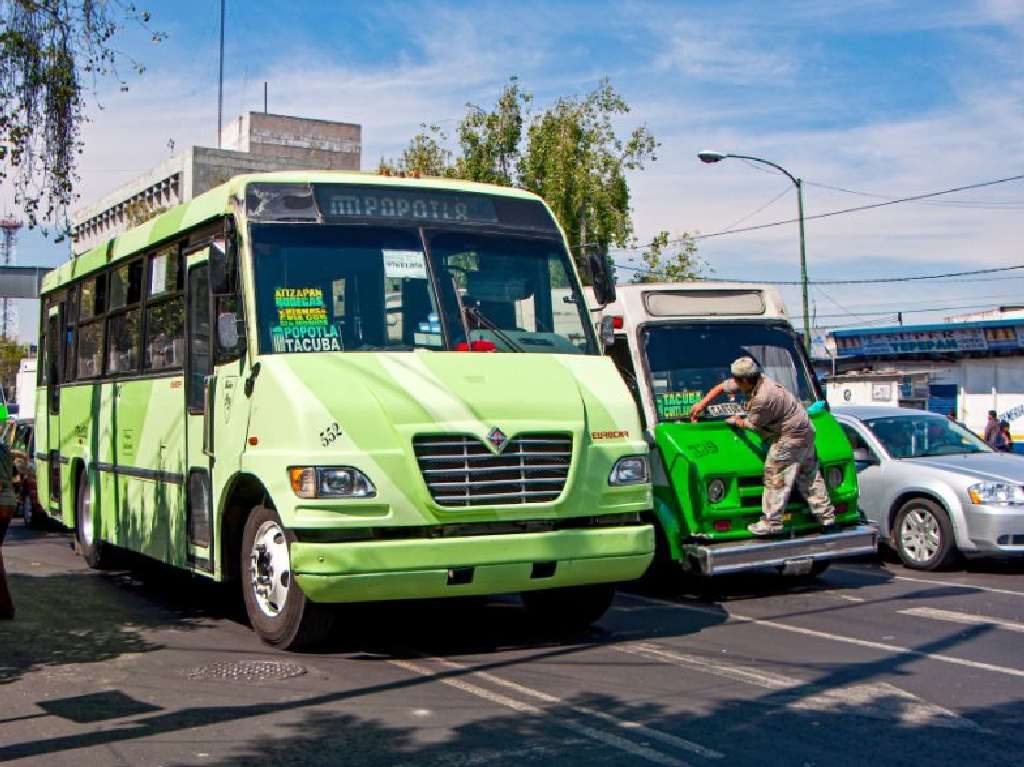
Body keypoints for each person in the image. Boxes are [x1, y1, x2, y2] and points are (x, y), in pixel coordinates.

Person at [690, 356, 835, 535]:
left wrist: (736, 421)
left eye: (736, 380)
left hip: (789, 437)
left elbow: (753, 425)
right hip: (806, 432)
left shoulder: (764, 398)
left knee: (775, 476)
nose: (733, 383)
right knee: (809, 476)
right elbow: (721, 387)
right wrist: (701, 404)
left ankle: (771, 522)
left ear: (744, 380)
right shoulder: (754, 380)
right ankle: (826, 519)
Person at [0, 437, 16, 618]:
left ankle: (5, 607)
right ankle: (5, 607)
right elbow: (13, 476)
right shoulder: (4, 449)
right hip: (9, 503)